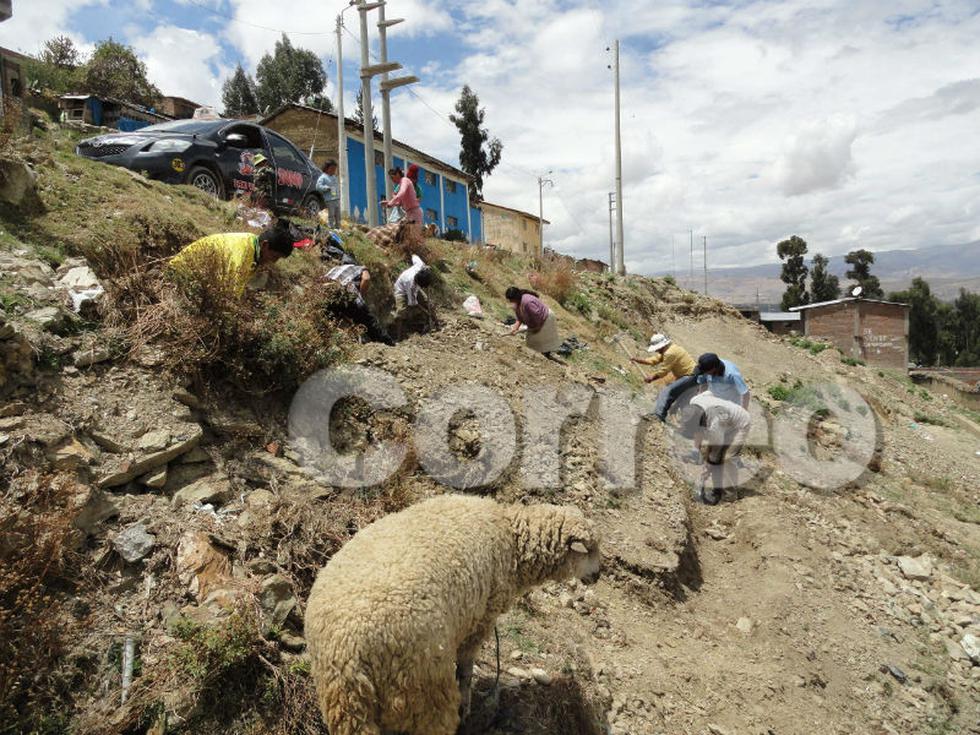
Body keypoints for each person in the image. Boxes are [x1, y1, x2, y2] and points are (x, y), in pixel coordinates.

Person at [169, 226, 293, 296]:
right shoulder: (242, 253)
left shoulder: (253, 244)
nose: (274, 262)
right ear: (265, 245)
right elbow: (230, 294)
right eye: (274, 256)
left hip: (194, 278)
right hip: (178, 274)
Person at [679, 392, 752, 505]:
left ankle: (729, 495)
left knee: (727, 458)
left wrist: (706, 470)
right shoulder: (695, 400)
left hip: (740, 424)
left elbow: (715, 452)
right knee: (715, 459)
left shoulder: (714, 425)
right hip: (725, 422)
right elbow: (709, 392)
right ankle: (717, 489)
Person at [631, 334, 698, 422]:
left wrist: (651, 378)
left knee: (666, 391)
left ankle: (658, 416)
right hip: (693, 377)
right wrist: (638, 360)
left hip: (689, 376)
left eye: (657, 348)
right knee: (681, 400)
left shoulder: (670, 353)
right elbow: (654, 360)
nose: (656, 350)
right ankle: (689, 425)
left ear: (662, 346)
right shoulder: (670, 349)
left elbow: (664, 371)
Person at [324, 263, 394, 345]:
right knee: (370, 324)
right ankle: (388, 344)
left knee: (331, 322)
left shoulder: (335, 269)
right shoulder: (362, 268)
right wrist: (361, 295)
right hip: (347, 295)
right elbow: (366, 279)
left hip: (325, 294)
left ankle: (333, 343)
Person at [505, 287, 562, 357]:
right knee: (531, 340)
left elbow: (537, 316)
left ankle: (545, 356)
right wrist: (515, 328)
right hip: (537, 320)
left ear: (515, 297)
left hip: (546, 319)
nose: (510, 301)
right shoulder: (517, 303)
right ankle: (537, 356)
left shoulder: (527, 302)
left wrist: (536, 328)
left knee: (544, 340)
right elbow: (519, 318)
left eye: (511, 299)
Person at [391, 254, 436, 339]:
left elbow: (414, 256)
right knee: (401, 312)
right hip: (401, 291)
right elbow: (414, 304)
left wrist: (426, 268)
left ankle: (435, 324)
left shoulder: (420, 266)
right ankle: (398, 337)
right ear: (418, 282)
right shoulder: (410, 285)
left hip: (415, 289)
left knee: (428, 303)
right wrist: (426, 312)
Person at [316, 160, 341, 228]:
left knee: (338, 214)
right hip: (329, 199)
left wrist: (337, 194)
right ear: (326, 168)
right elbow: (318, 186)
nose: (333, 171)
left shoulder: (334, 177)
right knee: (331, 214)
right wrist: (326, 188)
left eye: (335, 169)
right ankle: (331, 226)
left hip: (336, 198)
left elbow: (335, 187)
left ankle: (338, 226)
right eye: (332, 169)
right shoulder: (323, 177)